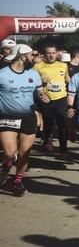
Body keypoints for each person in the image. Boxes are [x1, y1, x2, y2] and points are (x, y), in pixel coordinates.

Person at [0, 45, 45, 196]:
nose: (34, 57)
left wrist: (44, 98)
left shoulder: (33, 74)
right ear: (22, 56)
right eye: (31, 55)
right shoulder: (2, 74)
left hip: (28, 117)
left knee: (24, 152)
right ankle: (6, 164)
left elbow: (40, 93)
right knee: (10, 152)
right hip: (7, 116)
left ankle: (17, 182)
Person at [34, 43, 70, 155]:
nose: (51, 55)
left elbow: (68, 79)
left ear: (57, 53)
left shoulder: (63, 65)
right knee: (48, 122)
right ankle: (47, 141)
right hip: (46, 99)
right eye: (48, 53)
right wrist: (41, 82)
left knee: (62, 123)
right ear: (44, 54)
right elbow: (31, 83)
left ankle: (63, 148)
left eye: (53, 53)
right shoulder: (38, 66)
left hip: (61, 98)